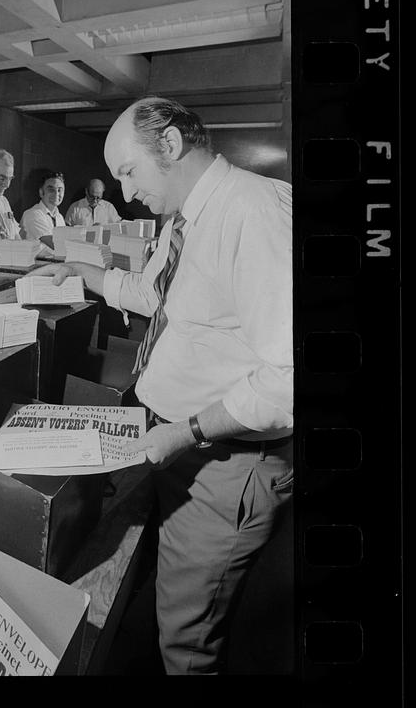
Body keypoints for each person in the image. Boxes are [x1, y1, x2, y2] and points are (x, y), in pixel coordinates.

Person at [33, 96, 293, 675]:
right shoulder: (186, 218)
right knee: (155, 586)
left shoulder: (254, 211)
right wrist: (83, 271)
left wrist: (187, 431)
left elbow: (288, 382)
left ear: (170, 146)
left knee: (186, 637)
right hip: (175, 441)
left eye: (128, 171)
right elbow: (156, 299)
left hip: (223, 462)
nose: (124, 193)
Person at [20, 172, 66, 257]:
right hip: (35, 266)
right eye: (51, 189)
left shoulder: (59, 217)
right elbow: (55, 244)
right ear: (41, 192)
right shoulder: (33, 214)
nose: (56, 194)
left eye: (60, 190)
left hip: (53, 265)